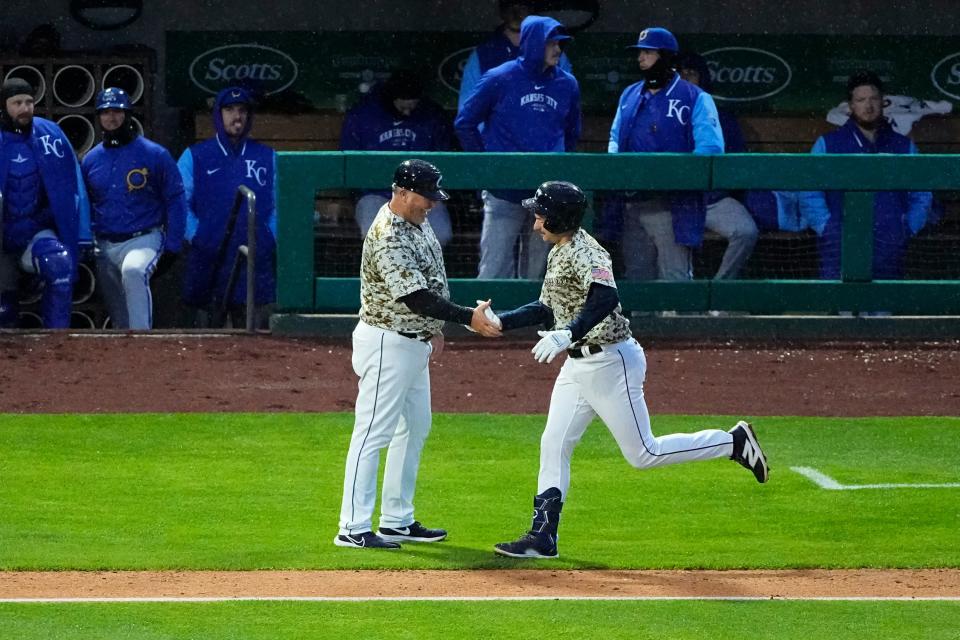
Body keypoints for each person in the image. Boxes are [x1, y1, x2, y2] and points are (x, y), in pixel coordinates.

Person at [490, 180, 769, 559]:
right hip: (577, 365)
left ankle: (732, 442)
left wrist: (567, 331)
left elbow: (606, 299)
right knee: (554, 443)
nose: (536, 223)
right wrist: (501, 322)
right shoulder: (559, 250)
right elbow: (545, 307)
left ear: (558, 217)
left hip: (610, 361)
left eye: (540, 215)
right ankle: (542, 536)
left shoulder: (590, 253)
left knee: (643, 454)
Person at [336, 159, 502, 550]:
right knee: (373, 433)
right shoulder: (387, 234)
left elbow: (431, 283)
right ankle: (353, 526)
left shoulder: (416, 220)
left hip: (413, 341)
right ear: (402, 192)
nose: (431, 205)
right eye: (425, 197)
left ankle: (396, 519)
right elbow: (414, 295)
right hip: (387, 341)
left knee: (414, 428)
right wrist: (466, 319)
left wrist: (435, 329)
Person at [455, 14, 581, 280]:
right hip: (503, 189)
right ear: (534, 43)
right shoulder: (499, 77)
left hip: (546, 195)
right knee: (494, 270)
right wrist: (486, 166)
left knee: (537, 274)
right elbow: (465, 123)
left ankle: (529, 322)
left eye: (560, 44)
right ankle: (487, 321)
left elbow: (572, 133)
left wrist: (554, 168)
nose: (558, 49)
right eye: (551, 43)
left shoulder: (567, 84)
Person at [607, 28, 723, 281]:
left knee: (675, 275)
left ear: (666, 57)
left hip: (672, 204)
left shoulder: (694, 97)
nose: (641, 58)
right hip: (633, 201)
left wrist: (675, 177)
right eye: (640, 53)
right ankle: (643, 322)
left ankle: (679, 323)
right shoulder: (629, 94)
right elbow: (615, 139)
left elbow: (710, 149)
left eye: (648, 52)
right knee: (638, 275)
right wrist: (620, 173)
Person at [799, 71, 931, 280]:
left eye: (874, 99)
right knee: (842, 304)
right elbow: (809, 192)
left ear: (883, 102)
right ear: (850, 105)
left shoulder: (903, 146)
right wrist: (826, 226)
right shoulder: (828, 144)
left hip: (890, 239)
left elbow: (922, 193)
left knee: (884, 306)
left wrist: (907, 225)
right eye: (860, 100)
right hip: (840, 238)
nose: (868, 106)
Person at [81, 87, 186, 329]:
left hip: (143, 237)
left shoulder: (154, 154)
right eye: (105, 112)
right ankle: (129, 359)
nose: (111, 117)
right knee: (119, 317)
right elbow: (86, 204)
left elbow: (176, 199)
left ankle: (144, 341)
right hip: (105, 243)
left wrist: (173, 244)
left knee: (133, 271)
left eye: (117, 111)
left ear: (128, 114)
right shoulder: (91, 159)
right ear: (98, 117)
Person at [177, 86, 277, 328]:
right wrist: (197, 235)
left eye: (242, 110)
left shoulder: (266, 156)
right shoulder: (196, 155)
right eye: (230, 109)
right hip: (210, 256)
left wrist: (269, 237)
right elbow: (179, 202)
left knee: (255, 337)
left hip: (253, 258)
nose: (237, 116)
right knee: (206, 339)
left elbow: (280, 204)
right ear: (218, 115)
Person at [0, 77, 88, 329]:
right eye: (17, 102)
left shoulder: (52, 135)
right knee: (4, 313)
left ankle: (57, 342)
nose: (25, 108)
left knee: (59, 263)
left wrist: (82, 234)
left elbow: (75, 184)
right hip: (2, 238)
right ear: (4, 106)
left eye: (29, 101)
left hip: (36, 230)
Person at [339, 70, 454, 246]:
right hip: (375, 194)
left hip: (421, 195)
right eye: (402, 108)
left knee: (439, 234)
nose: (407, 113)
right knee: (380, 239)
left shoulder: (432, 116)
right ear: (391, 100)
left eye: (412, 107)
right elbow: (349, 160)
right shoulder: (363, 116)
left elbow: (444, 159)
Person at [675, 51, 759, 278]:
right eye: (679, 74)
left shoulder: (722, 118)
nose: (684, 79)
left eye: (690, 74)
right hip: (674, 201)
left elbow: (736, 166)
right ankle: (678, 306)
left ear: (702, 78)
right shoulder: (664, 114)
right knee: (670, 248)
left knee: (746, 231)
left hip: (713, 201)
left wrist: (716, 191)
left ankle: (719, 296)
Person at [457, 1, 573, 113]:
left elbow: (567, 108)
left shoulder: (554, 53)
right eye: (511, 5)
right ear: (502, 10)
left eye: (522, 5)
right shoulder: (482, 55)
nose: (516, 12)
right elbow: (467, 113)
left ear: (531, 9)